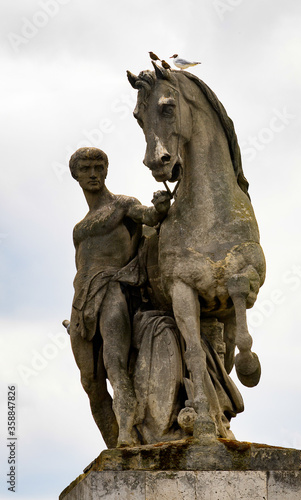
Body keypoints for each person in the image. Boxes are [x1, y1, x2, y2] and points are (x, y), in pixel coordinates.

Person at [67, 147, 170, 448]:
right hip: (83, 299)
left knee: (115, 363)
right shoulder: (79, 230)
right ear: (76, 174)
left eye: (99, 167)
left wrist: (160, 208)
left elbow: (149, 216)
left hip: (114, 288)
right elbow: (81, 268)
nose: (93, 173)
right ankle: (114, 446)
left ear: (107, 170)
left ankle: (127, 433)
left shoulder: (122, 205)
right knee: (91, 383)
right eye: (85, 168)